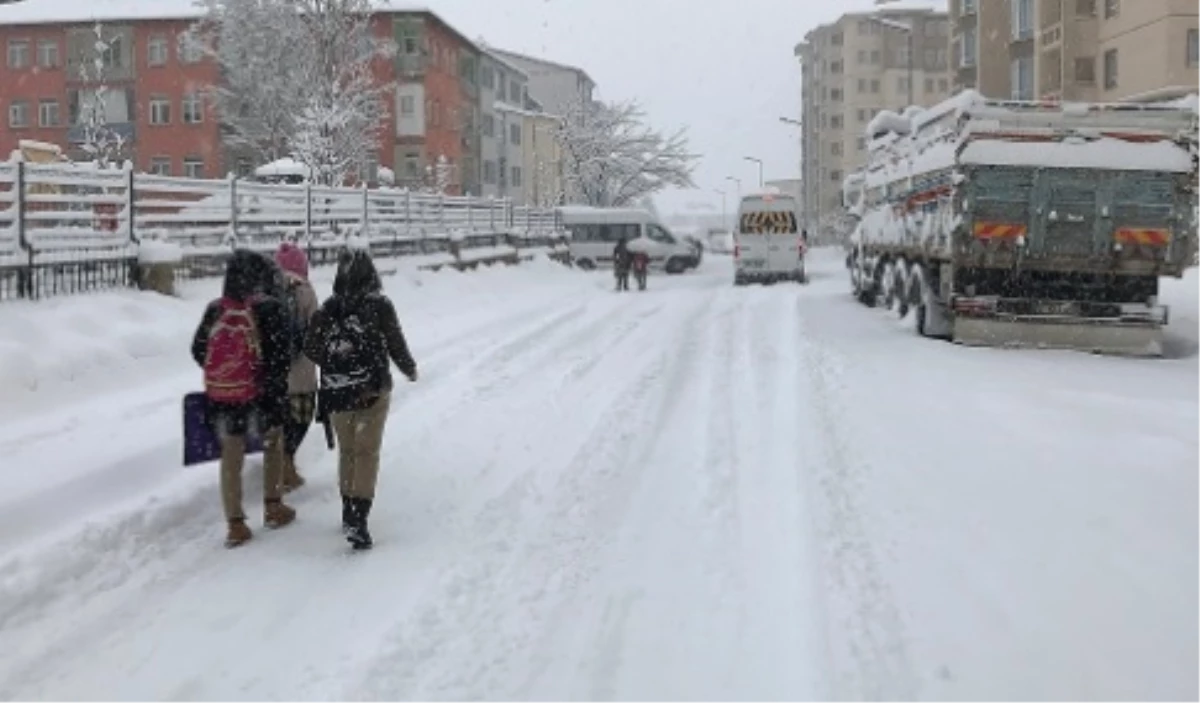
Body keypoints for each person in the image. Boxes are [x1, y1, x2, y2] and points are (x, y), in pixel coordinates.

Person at [304, 248, 417, 549]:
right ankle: (360, 517)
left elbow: (310, 347)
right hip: (371, 390)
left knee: (348, 451)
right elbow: (395, 342)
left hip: (336, 391)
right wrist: (409, 368)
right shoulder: (380, 305)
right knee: (367, 453)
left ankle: (347, 509)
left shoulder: (329, 308)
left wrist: (333, 360)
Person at [192, 250, 296, 548]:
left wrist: (226, 372)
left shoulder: (216, 309)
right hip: (261, 394)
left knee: (231, 455)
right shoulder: (270, 308)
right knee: (273, 443)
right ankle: (273, 506)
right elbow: (280, 357)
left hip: (223, 396)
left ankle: (235, 524)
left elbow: (198, 349)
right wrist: (266, 383)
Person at [274, 242, 320, 491]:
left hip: (273, 373)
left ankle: (279, 462)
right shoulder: (305, 290)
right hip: (301, 372)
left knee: (279, 420)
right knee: (301, 418)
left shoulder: (265, 290)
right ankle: (287, 462)